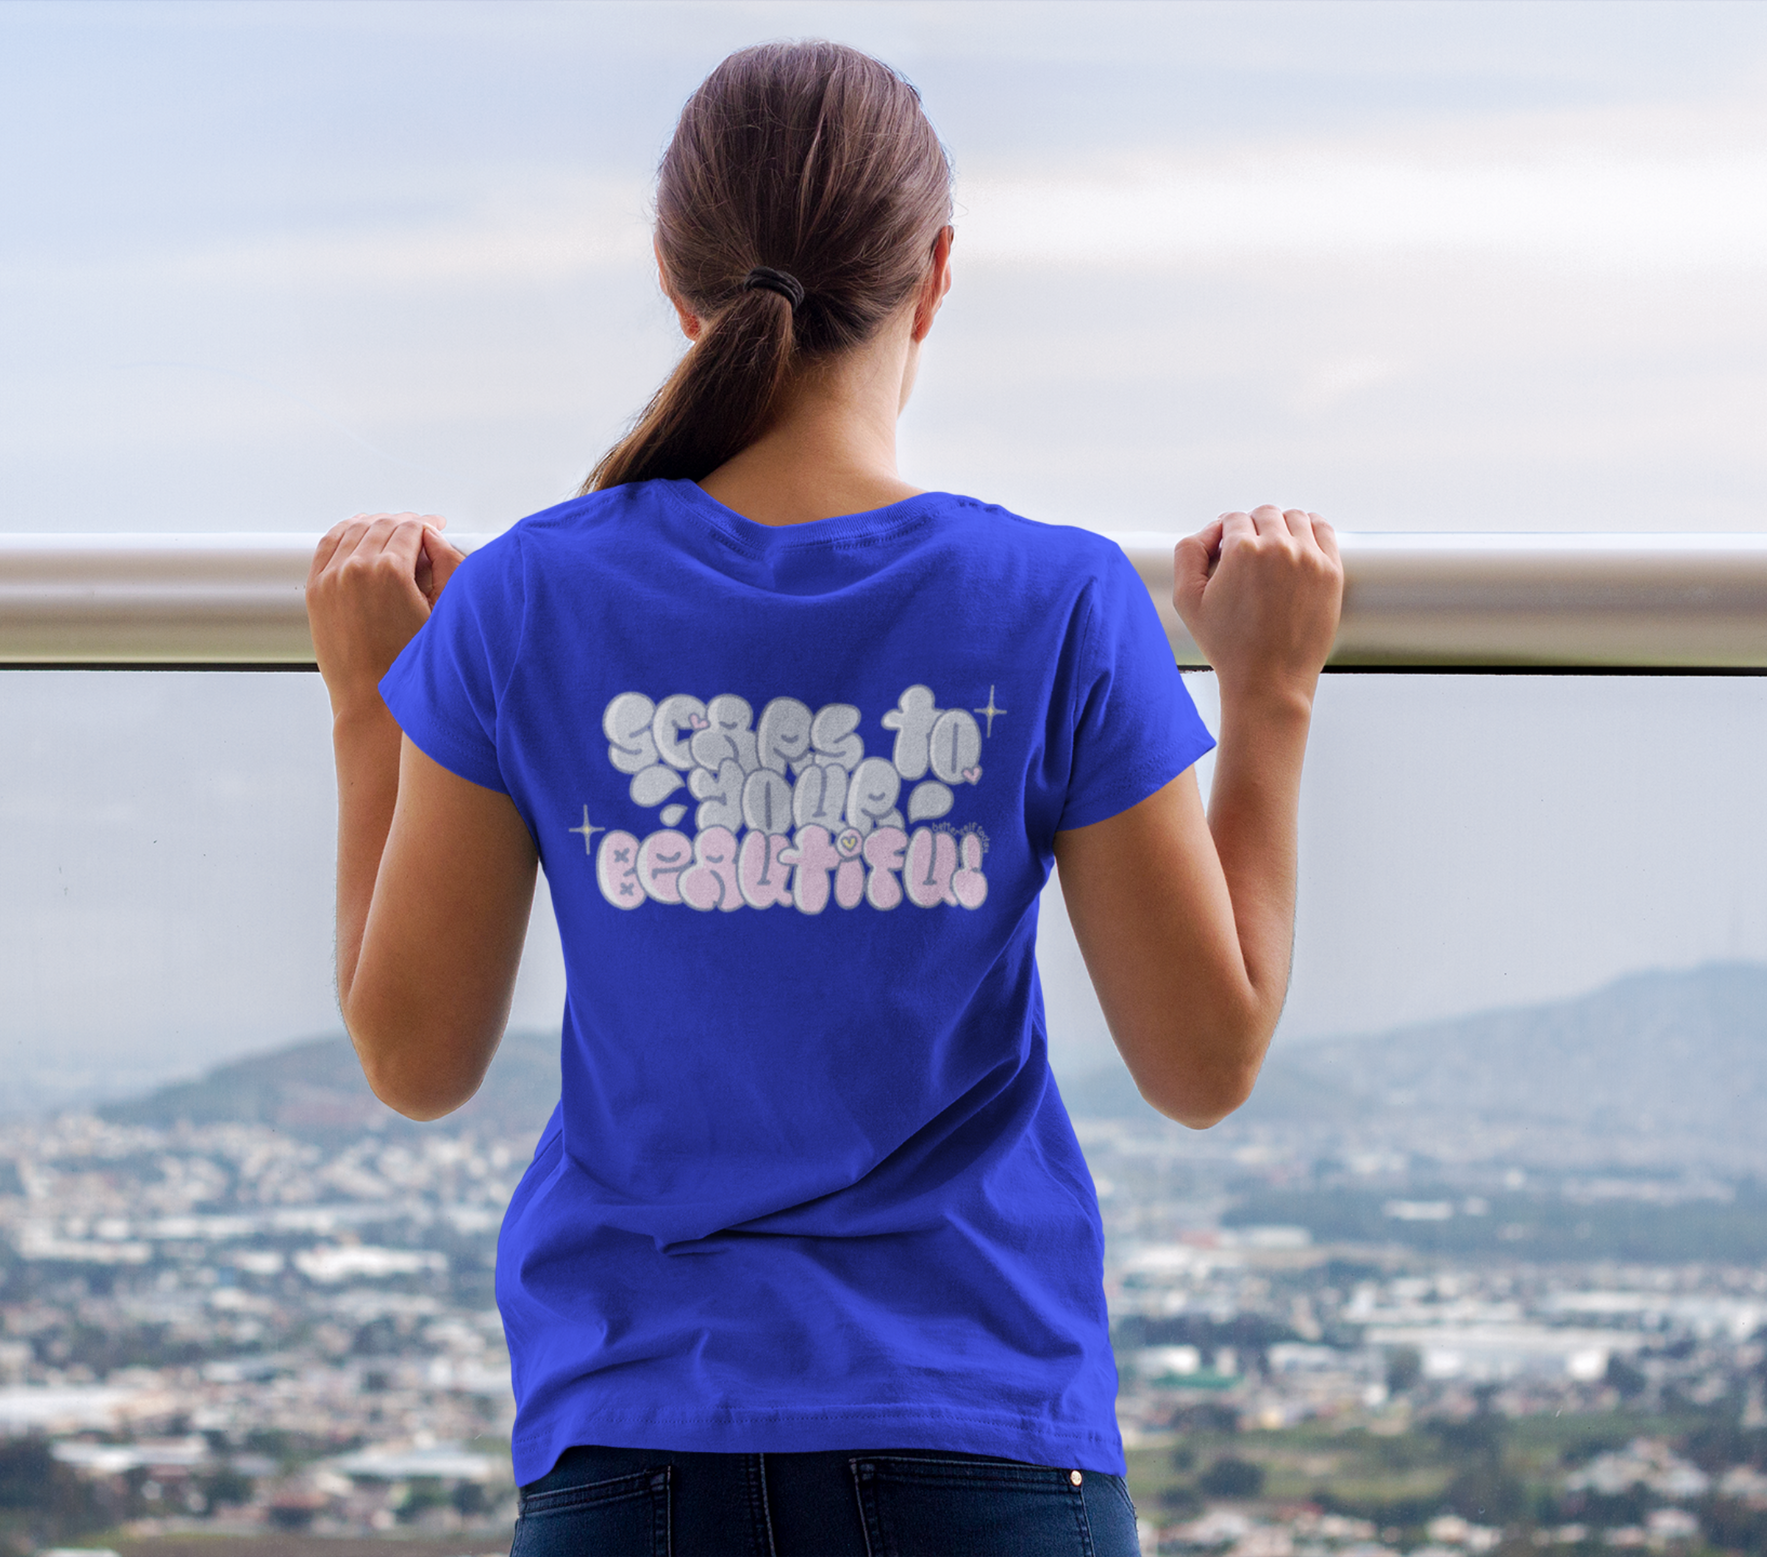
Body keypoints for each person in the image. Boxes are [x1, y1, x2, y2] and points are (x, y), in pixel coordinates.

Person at [305, 38, 1342, 1557]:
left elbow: (412, 1058)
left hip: (633, 1452)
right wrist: (1267, 690)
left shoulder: (525, 600)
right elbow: (1204, 1059)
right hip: (982, 1451)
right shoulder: (1051, 602)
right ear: (933, 277)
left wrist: (365, 706)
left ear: (674, 281)